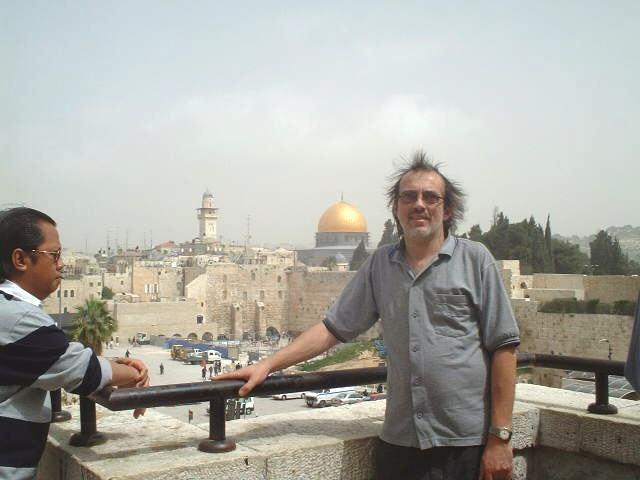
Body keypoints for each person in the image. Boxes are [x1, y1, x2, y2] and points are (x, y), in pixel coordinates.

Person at [216, 152, 520, 480]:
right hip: (401, 442)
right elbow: (332, 328)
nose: (419, 204)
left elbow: (504, 348)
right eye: (409, 196)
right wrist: (267, 365)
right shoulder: (380, 265)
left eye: (431, 197)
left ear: (447, 210)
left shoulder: (475, 260)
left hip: (465, 443)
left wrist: (499, 438)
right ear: (396, 208)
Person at [0, 207, 150, 480]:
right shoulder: (19, 321)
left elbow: (62, 358)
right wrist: (136, 372)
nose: (61, 264)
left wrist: (113, 364)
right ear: (20, 259)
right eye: (54, 255)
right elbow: (84, 372)